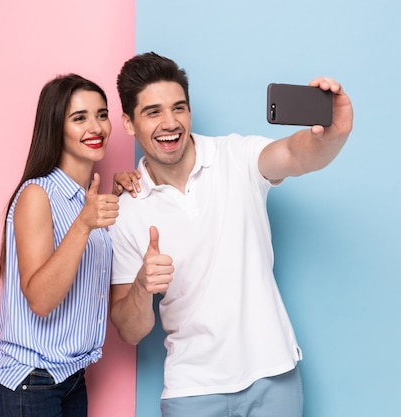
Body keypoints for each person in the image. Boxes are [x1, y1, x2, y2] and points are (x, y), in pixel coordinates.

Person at [109, 52, 354, 417]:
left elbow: (294, 154)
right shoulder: (126, 210)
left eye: (179, 107)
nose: (170, 122)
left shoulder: (235, 157)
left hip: (272, 375)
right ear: (129, 123)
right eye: (153, 112)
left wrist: (333, 136)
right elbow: (130, 331)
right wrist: (143, 287)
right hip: (190, 391)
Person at [0, 73, 126, 417]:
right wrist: (85, 224)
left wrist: (118, 196)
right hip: (29, 382)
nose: (96, 127)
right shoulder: (37, 194)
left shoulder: (84, 202)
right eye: (80, 118)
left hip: (71, 378)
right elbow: (41, 300)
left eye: (102, 114)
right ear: (56, 128)